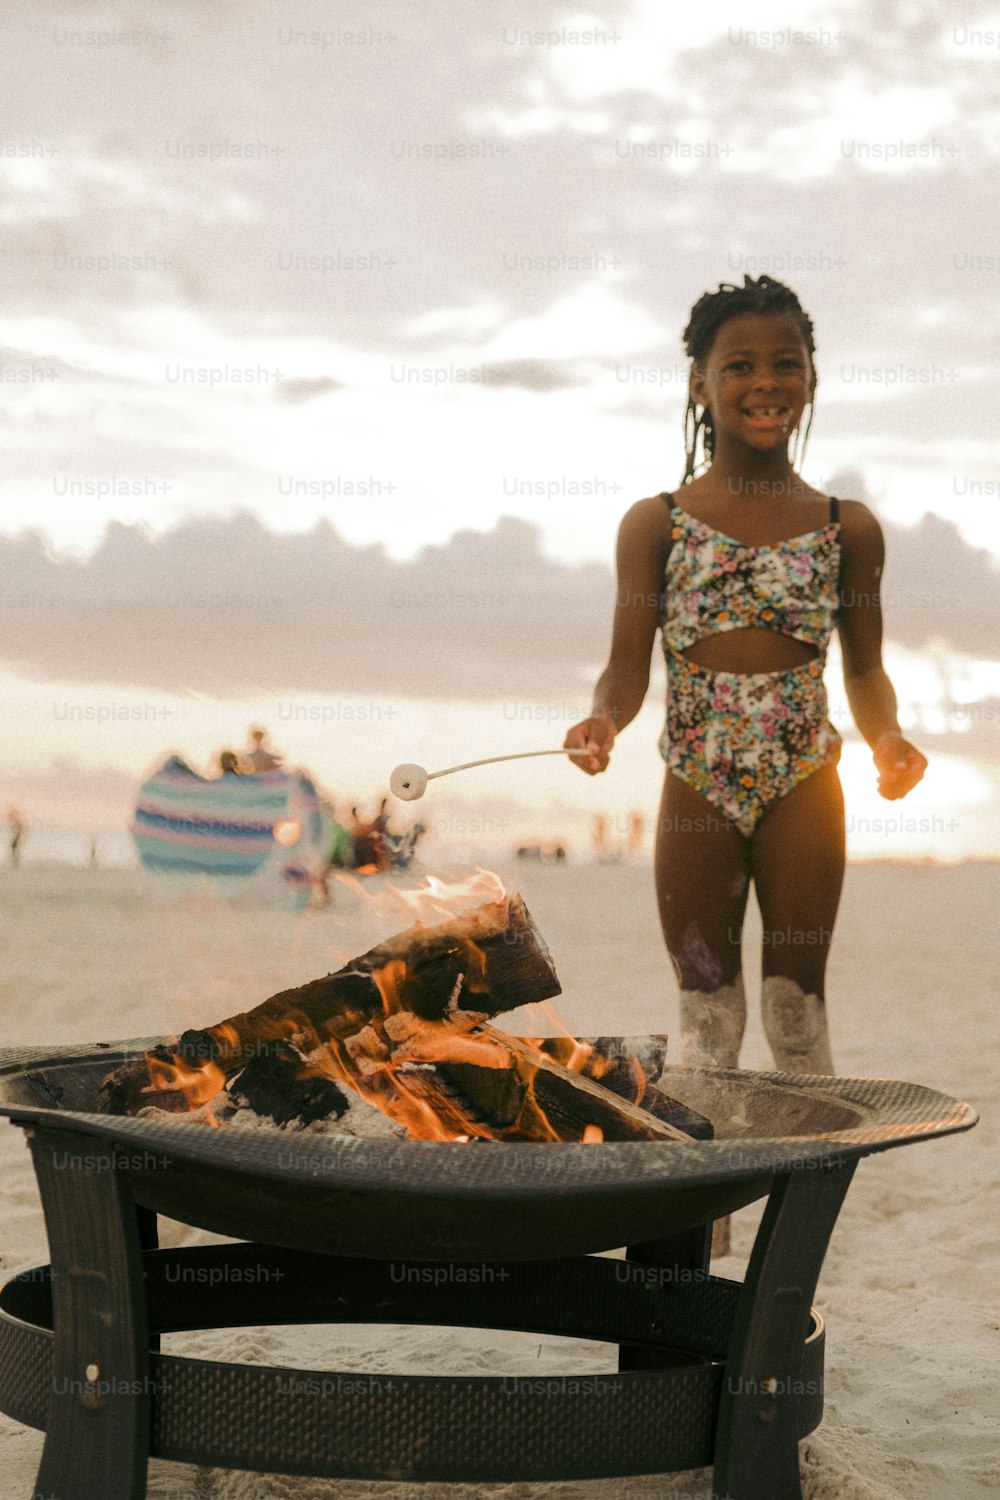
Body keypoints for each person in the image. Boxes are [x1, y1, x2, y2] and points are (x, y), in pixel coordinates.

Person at [564, 275, 927, 1086]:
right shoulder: (657, 523)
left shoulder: (848, 528)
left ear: (812, 381)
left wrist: (888, 736)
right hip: (697, 775)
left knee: (797, 1016)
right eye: (739, 366)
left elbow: (865, 667)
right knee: (706, 1016)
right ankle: (711, 1215)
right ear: (700, 382)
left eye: (786, 363)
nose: (766, 382)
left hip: (805, 777)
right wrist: (601, 721)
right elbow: (626, 670)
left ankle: (807, 1209)